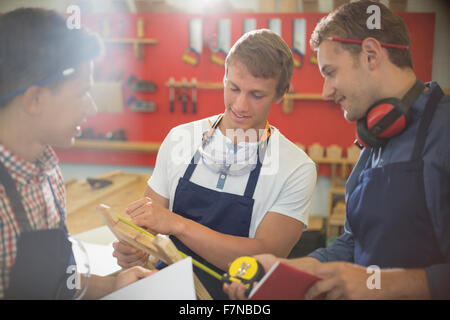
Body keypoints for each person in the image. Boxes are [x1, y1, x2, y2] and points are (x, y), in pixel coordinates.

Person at [224, 0, 450, 300]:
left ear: (370, 54)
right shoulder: (374, 145)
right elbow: (354, 245)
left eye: (330, 72)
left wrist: (377, 284)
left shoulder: (444, 131)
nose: (325, 91)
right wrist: (281, 269)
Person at [112, 29, 317, 299]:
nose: (241, 105)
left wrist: (178, 225)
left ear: (281, 94)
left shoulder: (296, 168)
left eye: (257, 95)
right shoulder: (179, 139)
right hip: (165, 291)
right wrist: (134, 248)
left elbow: (264, 256)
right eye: (233, 88)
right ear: (224, 78)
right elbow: (147, 224)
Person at [0, 8, 154, 300]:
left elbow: (54, 281)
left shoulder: (46, 169)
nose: (92, 108)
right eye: (83, 92)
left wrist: (113, 286)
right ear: (35, 99)